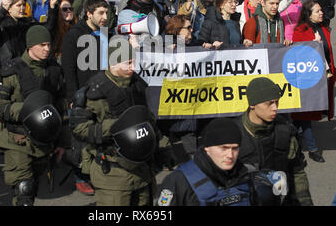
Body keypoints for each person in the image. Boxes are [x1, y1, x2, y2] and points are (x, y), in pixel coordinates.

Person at [70, 37, 172, 206]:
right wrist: (116, 128)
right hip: (112, 172)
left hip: (141, 170)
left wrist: (163, 147)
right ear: (114, 62)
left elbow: (148, 120)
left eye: (134, 62)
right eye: (128, 62)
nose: (133, 67)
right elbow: (79, 128)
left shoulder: (137, 84)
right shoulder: (95, 90)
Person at [0, 25, 68, 206]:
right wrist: (27, 110)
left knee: (31, 189)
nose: (47, 49)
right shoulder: (12, 70)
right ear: (30, 45)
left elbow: (62, 107)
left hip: (44, 140)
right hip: (17, 138)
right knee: (24, 188)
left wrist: (63, 142)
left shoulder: (54, 71)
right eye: (42, 45)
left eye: (49, 45)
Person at [156, 117, 286, 206]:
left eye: (234, 148)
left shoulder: (246, 176)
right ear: (207, 148)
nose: (230, 155)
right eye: (223, 148)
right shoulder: (178, 181)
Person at [236, 77, 313, 206]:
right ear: (252, 104)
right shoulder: (233, 134)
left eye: (277, 102)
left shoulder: (285, 131)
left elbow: (297, 172)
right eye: (269, 103)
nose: (275, 108)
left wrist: (305, 202)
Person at [61, 0, 109, 196]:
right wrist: (73, 97)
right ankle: (80, 175)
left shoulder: (105, 33)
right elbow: (68, 68)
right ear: (89, 14)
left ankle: (96, 173)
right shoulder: (74, 35)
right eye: (100, 13)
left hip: (103, 94)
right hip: (82, 94)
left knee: (99, 136)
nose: (105, 17)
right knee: (81, 139)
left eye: (106, 13)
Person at [291, 1, 335, 162]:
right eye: (317, 11)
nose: (321, 13)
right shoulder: (300, 31)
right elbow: (298, 54)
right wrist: (313, 45)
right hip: (307, 78)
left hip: (324, 75)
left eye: (321, 9)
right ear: (308, 14)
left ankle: (294, 141)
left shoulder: (323, 28)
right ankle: (312, 148)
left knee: (302, 117)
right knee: (305, 114)